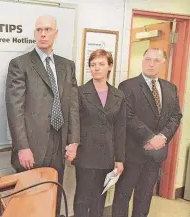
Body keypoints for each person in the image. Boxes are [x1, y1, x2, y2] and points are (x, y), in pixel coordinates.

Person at [5, 15, 80, 217]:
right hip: (32, 146)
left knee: (54, 195)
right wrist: (22, 147)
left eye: (47, 29)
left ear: (56, 33)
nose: (43, 34)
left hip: (59, 143)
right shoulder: (20, 64)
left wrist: (73, 141)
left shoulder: (67, 66)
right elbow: (15, 109)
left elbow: (73, 105)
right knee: (29, 201)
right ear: (34, 33)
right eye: (39, 30)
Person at [112, 48, 182, 217]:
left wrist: (163, 137)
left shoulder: (170, 88)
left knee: (145, 197)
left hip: (155, 156)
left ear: (163, 63)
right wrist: (150, 138)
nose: (151, 64)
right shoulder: (128, 86)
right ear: (142, 61)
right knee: (123, 196)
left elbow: (176, 115)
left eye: (156, 60)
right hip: (132, 153)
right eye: (148, 59)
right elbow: (127, 116)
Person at [72, 49, 126, 217]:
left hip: (107, 155)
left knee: (99, 199)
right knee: (82, 198)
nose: (96, 68)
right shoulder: (80, 92)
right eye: (93, 64)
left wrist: (119, 159)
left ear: (110, 67)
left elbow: (120, 128)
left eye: (101, 64)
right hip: (85, 154)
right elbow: (73, 124)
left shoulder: (118, 95)